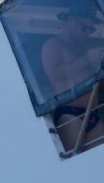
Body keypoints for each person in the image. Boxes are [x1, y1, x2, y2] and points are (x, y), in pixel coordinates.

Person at [41, 1, 104, 150]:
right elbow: (55, 75)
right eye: (84, 28)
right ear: (70, 21)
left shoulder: (84, 47)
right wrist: (87, 59)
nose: (88, 32)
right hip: (69, 113)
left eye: (91, 29)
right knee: (76, 162)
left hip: (92, 112)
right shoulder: (52, 44)